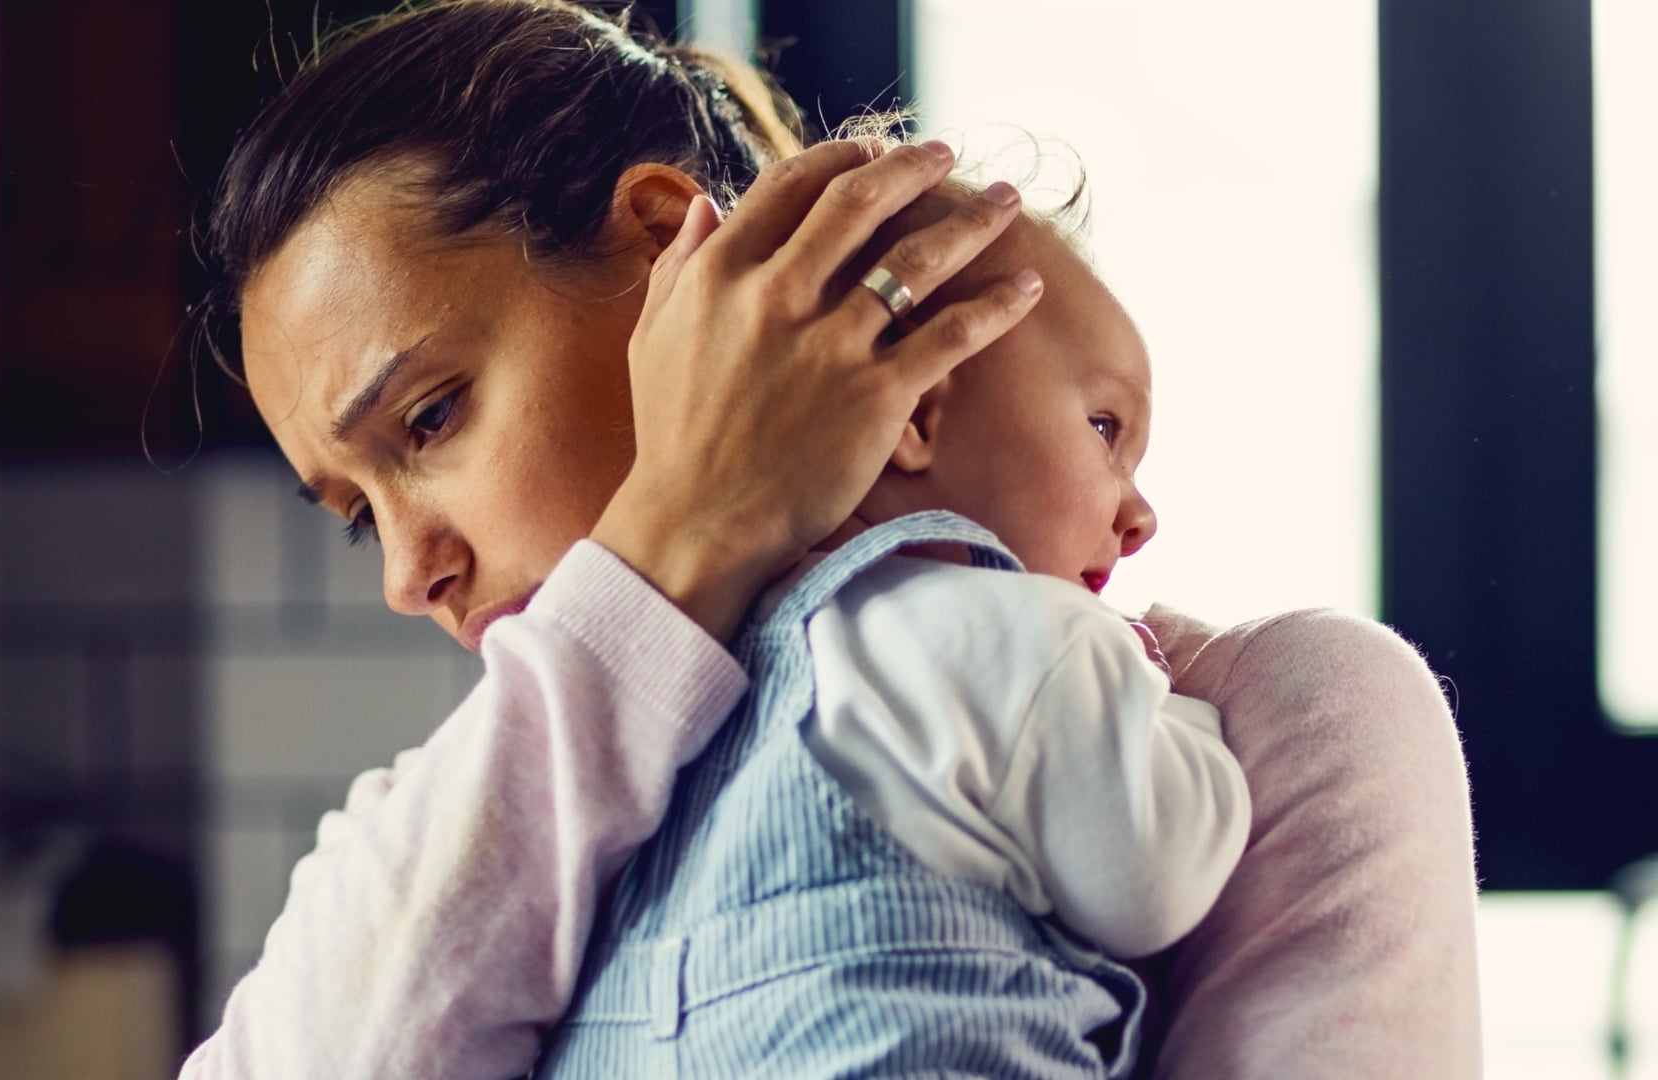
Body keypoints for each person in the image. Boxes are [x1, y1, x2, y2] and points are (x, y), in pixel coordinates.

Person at [179, 1, 1482, 1077]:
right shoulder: (421, 835)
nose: (413, 574)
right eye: (361, 518)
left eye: (432, 417)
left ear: (658, 244)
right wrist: (671, 554)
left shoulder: (1249, 716)